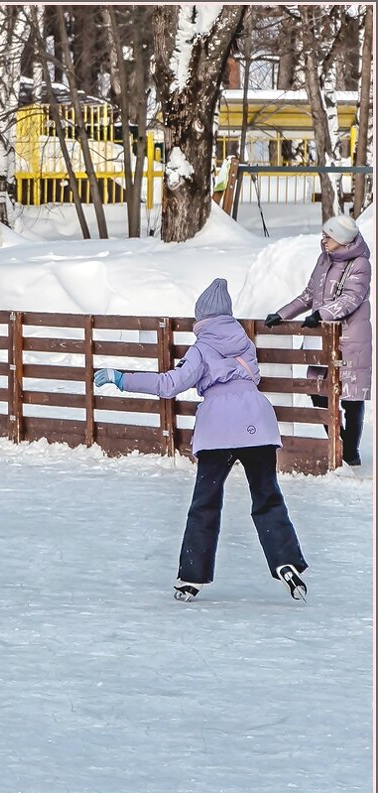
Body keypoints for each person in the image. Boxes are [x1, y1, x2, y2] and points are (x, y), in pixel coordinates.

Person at [95, 278, 309, 603]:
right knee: (267, 496)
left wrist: (122, 379)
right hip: (257, 423)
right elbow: (251, 378)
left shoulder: (201, 349)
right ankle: (286, 561)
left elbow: (170, 384)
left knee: (205, 503)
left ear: (202, 318)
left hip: (219, 429)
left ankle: (191, 578)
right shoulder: (245, 344)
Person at [265, 213, 371, 467]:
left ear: (342, 240)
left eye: (328, 236)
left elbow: (351, 299)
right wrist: (282, 314)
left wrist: (321, 315)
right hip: (322, 338)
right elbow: (309, 294)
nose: (323, 240)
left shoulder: (360, 264)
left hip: (350, 340)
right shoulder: (324, 259)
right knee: (316, 390)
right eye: (323, 235)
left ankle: (350, 453)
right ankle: (339, 441)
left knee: (351, 397)